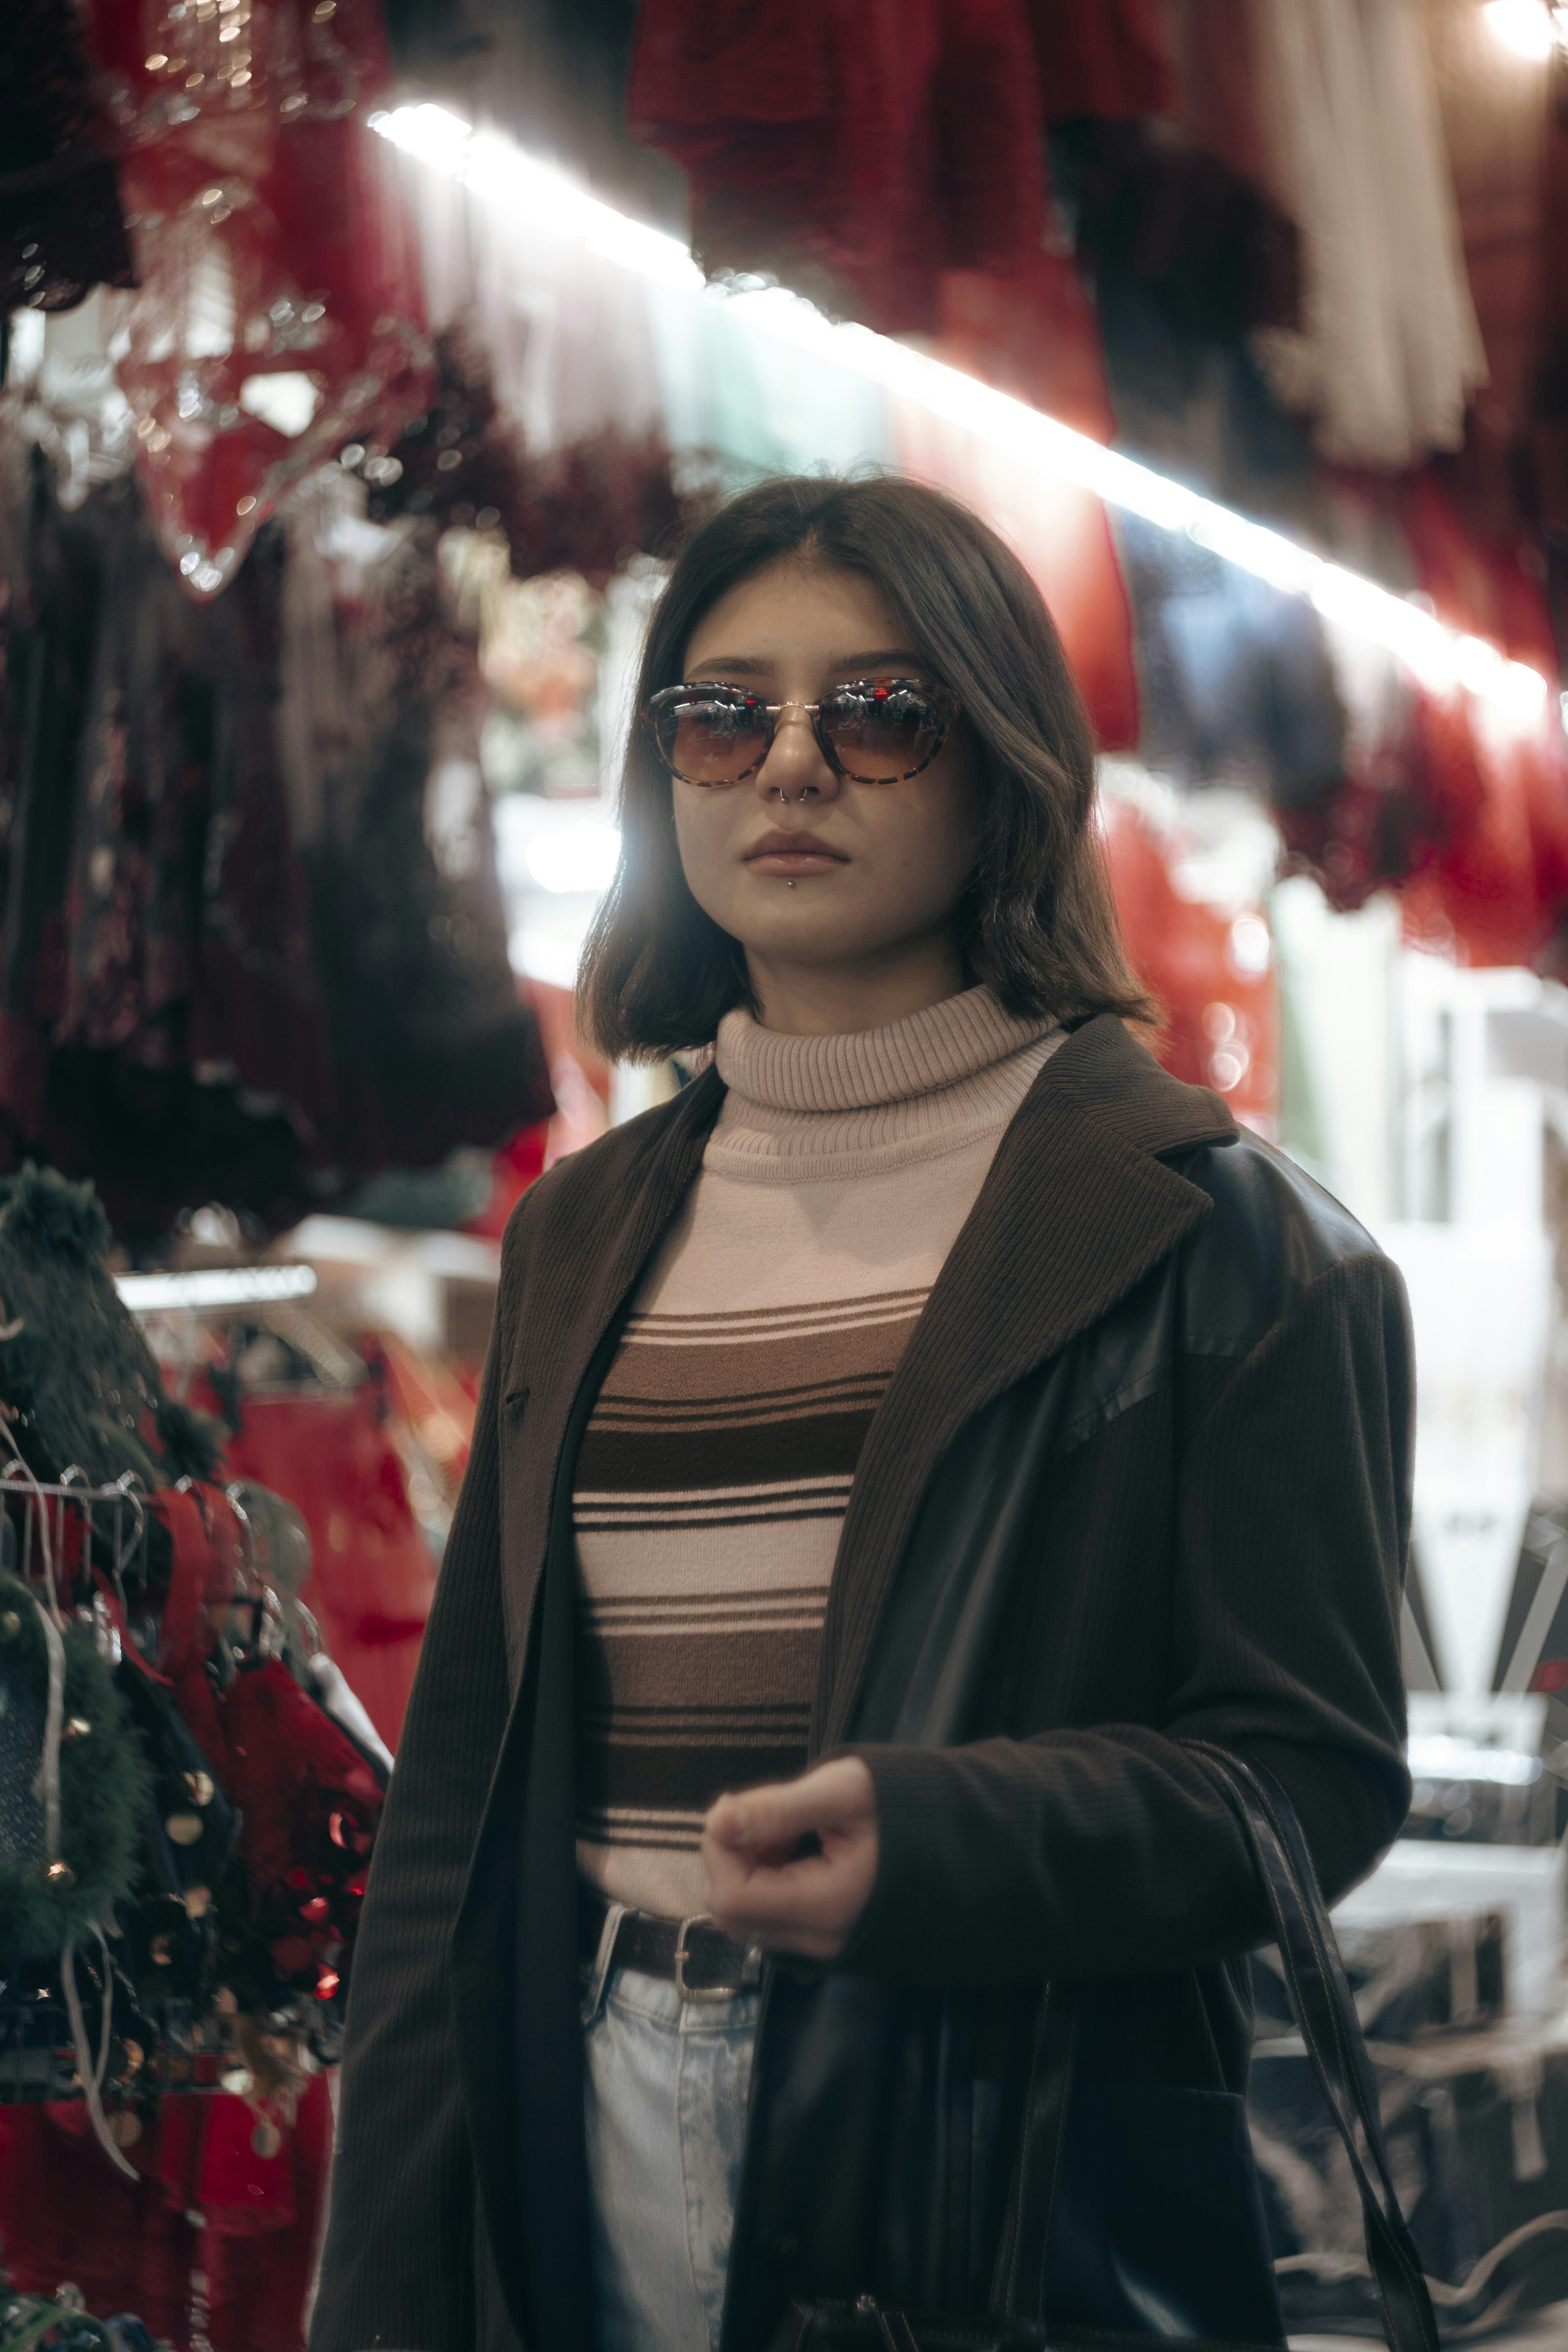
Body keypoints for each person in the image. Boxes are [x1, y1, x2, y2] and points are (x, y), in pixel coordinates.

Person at [309, 475, 1413, 2352]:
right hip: (575, 2102)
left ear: (1001, 770)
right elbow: (460, 1807)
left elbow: (1306, 1781)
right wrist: (384, 2287)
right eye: (721, 714)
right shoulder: (587, 1225)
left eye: (879, 713)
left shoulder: (1224, 1241)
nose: (789, 764)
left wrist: (940, 1841)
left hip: (983, 2137)